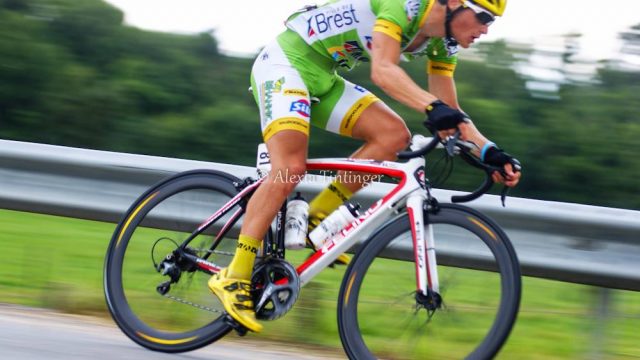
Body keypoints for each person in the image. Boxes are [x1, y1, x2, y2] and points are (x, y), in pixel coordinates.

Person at [208, 0, 521, 333]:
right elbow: (383, 70)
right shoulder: (405, 6)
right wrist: (432, 107)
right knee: (289, 168)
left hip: (325, 77)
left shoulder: (443, 42)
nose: (486, 29)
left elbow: (452, 112)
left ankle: (317, 217)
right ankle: (234, 275)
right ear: (456, 3)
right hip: (286, 64)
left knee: (393, 134)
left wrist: (490, 153)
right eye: (484, 17)